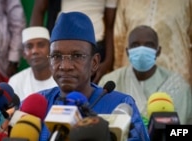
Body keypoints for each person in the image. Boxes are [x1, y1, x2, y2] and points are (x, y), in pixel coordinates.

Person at [37, 12, 149, 141]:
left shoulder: (120, 106)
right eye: (56, 56)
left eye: (77, 56)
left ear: (94, 63)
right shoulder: (38, 105)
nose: (65, 66)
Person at [99, 25, 192, 125]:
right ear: (127, 51)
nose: (142, 50)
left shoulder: (179, 87)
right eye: (135, 45)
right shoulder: (110, 82)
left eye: (149, 45)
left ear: (158, 51)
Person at [30, 0, 118, 83]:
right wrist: (37, 47)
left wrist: (107, 62)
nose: (66, 66)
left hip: (95, 45)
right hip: (62, 42)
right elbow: (39, 8)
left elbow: (110, 25)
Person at [113, 0, 192, 86]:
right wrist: (118, 73)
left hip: (175, 76)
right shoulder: (126, 2)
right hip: (133, 77)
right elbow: (118, 40)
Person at [8, 26, 57, 100]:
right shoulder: (16, 81)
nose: (35, 51)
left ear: (51, 49)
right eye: (29, 46)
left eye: (41, 45)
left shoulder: (63, 78)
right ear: (24, 54)